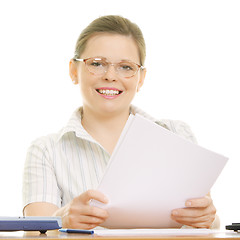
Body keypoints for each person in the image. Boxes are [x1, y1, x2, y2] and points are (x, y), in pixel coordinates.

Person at [22, 15, 218, 230]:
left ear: (141, 78)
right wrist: (62, 220)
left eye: (125, 67)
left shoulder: (177, 134)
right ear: (73, 70)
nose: (110, 76)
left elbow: (208, 222)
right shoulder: (46, 150)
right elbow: (35, 233)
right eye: (97, 64)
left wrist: (208, 218)